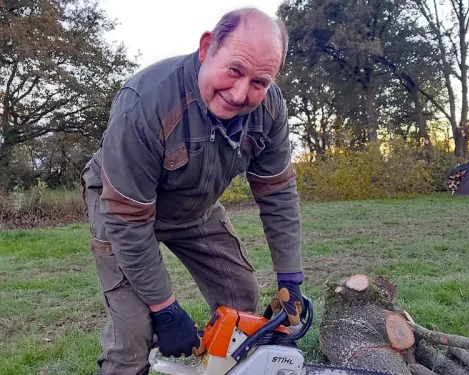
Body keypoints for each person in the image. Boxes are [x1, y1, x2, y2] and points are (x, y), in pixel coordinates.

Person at [80, 8, 304, 375]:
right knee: (135, 332)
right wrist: (164, 308)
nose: (240, 93)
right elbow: (129, 220)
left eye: (260, 82)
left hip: (194, 208)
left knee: (240, 303)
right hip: (121, 207)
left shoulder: (271, 110)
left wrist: (290, 278)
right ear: (206, 48)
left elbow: (277, 194)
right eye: (234, 70)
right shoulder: (144, 104)